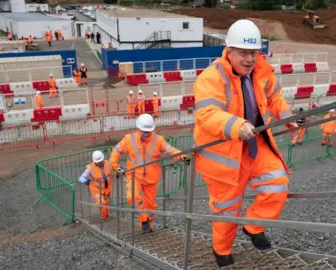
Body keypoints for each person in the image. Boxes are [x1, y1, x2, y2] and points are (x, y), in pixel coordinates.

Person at [193, 19, 298, 267]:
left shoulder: (261, 70)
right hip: (225, 156)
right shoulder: (211, 78)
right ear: (229, 51)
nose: (249, 59)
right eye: (243, 53)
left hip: (255, 146)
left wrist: (290, 118)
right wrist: (236, 126)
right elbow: (206, 114)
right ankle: (222, 251)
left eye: (253, 53)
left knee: (277, 183)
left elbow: (275, 98)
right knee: (227, 211)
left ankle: (252, 226)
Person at [109, 114, 189, 232]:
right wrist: (115, 166)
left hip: (151, 177)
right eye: (144, 131)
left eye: (149, 131)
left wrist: (181, 156)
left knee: (150, 205)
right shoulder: (128, 139)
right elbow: (116, 151)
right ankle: (143, 220)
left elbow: (169, 149)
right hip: (134, 175)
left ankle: (148, 226)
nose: (146, 134)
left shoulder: (158, 140)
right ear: (138, 128)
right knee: (132, 197)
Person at [78, 151, 114, 220]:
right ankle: (104, 217)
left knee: (106, 203)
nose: (100, 163)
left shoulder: (108, 164)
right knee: (101, 202)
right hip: (96, 189)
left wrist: (118, 172)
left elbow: (114, 169)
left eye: (101, 161)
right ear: (94, 161)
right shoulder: (90, 168)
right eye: (98, 162)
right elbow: (80, 178)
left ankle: (106, 215)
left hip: (106, 188)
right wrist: (85, 181)